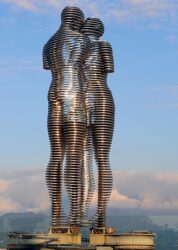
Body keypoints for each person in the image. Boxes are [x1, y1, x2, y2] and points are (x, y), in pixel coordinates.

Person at [42, 6, 90, 227]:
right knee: (75, 156)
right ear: (76, 19)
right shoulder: (81, 39)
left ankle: (56, 214)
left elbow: (48, 67)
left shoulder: (48, 44)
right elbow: (83, 68)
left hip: (53, 98)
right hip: (74, 99)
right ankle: (75, 215)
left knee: (55, 155)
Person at [81, 17, 115, 228]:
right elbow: (109, 68)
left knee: (83, 158)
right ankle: (99, 215)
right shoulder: (104, 46)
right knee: (102, 158)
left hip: (81, 100)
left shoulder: (74, 49)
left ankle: (83, 212)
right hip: (102, 99)